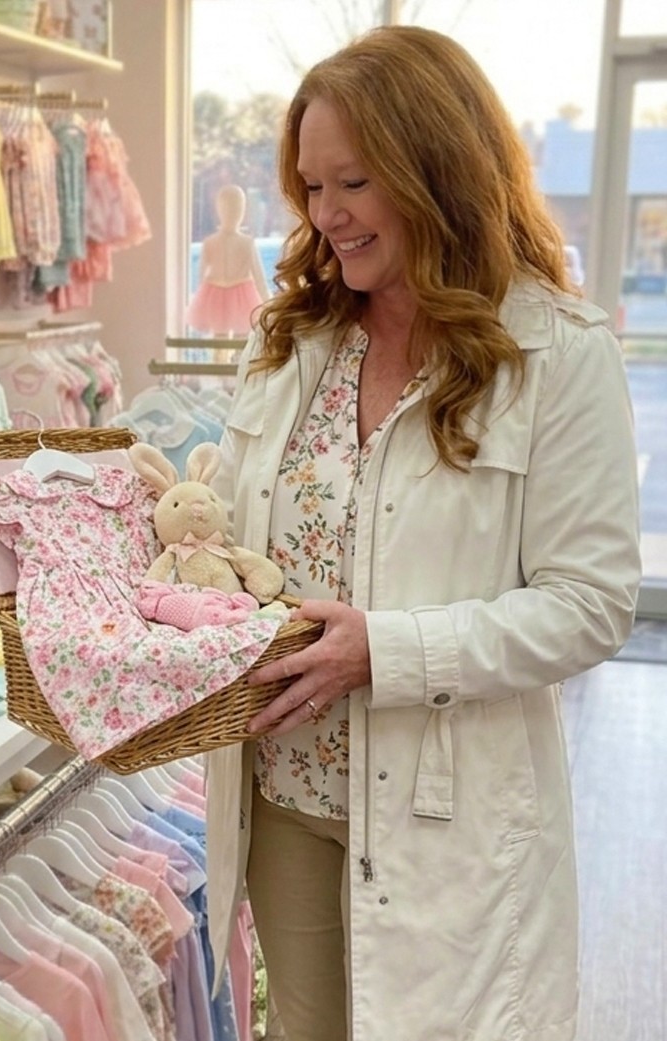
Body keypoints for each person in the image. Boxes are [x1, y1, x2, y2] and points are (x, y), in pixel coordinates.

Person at [203, 26, 642, 1041]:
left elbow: (589, 606)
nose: (326, 216)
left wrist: (386, 652)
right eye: (310, 188)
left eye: (352, 182)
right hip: (284, 797)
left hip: (447, 814)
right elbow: (229, 537)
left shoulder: (555, 355)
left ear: (434, 167)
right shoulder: (293, 345)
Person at [186, 184, 271, 336]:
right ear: (219, 210)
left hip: (242, 296)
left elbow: (259, 277)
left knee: (241, 342)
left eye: (237, 209)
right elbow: (201, 278)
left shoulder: (247, 242)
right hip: (217, 295)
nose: (233, 214)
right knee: (220, 343)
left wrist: (267, 303)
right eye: (228, 209)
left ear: (243, 212)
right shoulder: (210, 242)